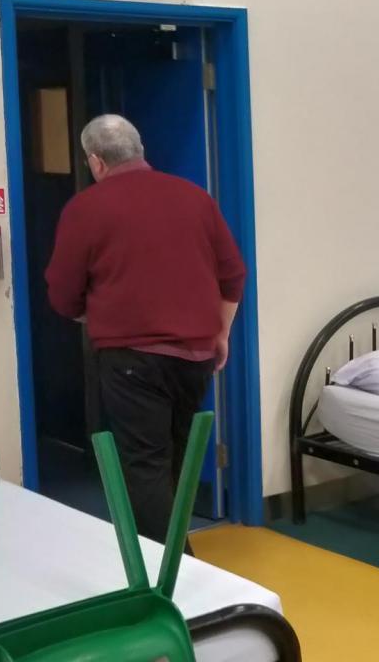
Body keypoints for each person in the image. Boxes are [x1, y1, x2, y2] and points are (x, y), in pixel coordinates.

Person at [46, 114, 245, 543]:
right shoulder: (194, 197)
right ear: (140, 150)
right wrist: (220, 334)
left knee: (145, 466)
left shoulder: (85, 208)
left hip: (131, 359)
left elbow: (62, 293)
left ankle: (173, 570)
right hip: (195, 357)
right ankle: (172, 556)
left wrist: (93, 312)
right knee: (175, 461)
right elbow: (233, 275)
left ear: (96, 161)